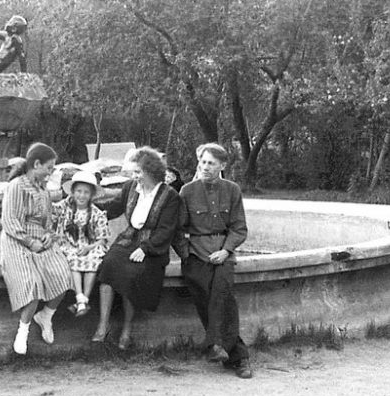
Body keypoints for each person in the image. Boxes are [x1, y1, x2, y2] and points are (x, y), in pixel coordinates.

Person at [176, 142, 252, 379]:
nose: (205, 167)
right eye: (203, 162)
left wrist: (226, 251)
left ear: (222, 165)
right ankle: (230, 352)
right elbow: (177, 229)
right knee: (201, 289)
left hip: (223, 253)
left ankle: (225, 351)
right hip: (196, 254)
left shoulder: (232, 190)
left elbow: (239, 228)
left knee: (223, 292)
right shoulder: (187, 191)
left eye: (211, 163)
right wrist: (186, 253)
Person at [93, 147, 180, 349]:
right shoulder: (131, 188)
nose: (135, 176)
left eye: (138, 172)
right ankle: (103, 325)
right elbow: (113, 207)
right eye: (134, 172)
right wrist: (88, 208)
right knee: (108, 265)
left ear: (150, 171)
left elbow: (166, 230)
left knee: (131, 275)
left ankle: (126, 331)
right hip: (128, 240)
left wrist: (145, 249)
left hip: (152, 247)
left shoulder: (169, 196)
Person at [0, 142, 72, 354]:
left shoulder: (44, 192)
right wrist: (30, 242)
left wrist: (49, 237)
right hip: (17, 241)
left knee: (63, 274)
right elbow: (10, 221)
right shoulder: (16, 186)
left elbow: (48, 224)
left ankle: (46, 316)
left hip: (41, 241)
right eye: (49, 168)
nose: (51, 173)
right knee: (32, 284)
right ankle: (22, 331)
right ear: (37, 164)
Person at [51, 169, 111, 317]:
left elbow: (102, 238)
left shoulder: (96, 213)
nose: (81, 196)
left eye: (86, 192)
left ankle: (83, 300)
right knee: (73, 258)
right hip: (69, 244)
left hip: (90, 246)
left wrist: (89, 247)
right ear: (72, 192)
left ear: (91, 195)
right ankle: (80, 297)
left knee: (93, 259)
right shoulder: (65, 207)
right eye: (78, 191)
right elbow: (49, 209)